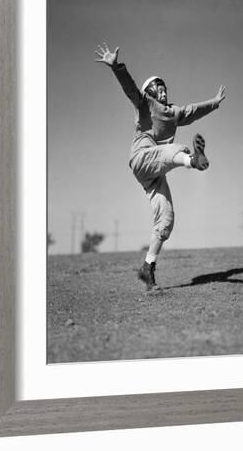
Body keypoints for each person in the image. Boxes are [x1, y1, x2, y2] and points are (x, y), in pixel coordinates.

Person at [95, 42, 226, 291]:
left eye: (165, 88)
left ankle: (147, 268)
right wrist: (116, 67)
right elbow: (130, 89)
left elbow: (195, 110)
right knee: (175, 150)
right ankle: (192, 160)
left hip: (156, 171)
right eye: (159, 88)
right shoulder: (145, 104)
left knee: (166, 219)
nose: (164, 91)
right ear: (152, 91)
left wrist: (215, 102)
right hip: (142, 157)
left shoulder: (174, 112)